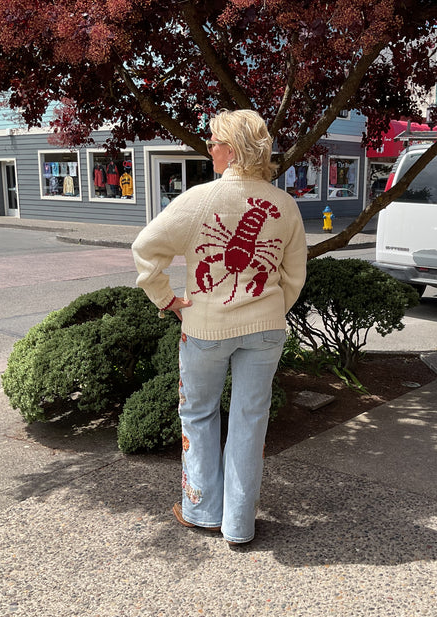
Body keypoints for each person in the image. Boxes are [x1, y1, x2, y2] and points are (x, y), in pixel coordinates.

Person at [131, 109, 307, 546]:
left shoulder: (199, 199)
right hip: (266, 331)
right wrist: (268, 310)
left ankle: (201, 510)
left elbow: (145, 247)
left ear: (231, 149)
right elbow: (294, 275)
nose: (209, 149)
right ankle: (239, 525)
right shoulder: (285, 205)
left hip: (206, 330)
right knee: (250, 421)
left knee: (198, 413)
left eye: (213, 142)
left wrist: (167, 299)